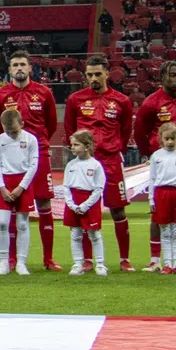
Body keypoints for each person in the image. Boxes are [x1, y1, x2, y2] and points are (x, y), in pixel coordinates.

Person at [63, 55, 136, 272]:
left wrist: (114, 149)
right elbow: (69, 130)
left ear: (107, 74)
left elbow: (125, 131)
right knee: (83, 211)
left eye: (97, 74)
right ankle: (86, 260)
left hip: (111, 161)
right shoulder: (75, 100)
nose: (93, 78)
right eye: (89, 74)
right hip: (85, 163)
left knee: (118, 210)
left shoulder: (122, 100)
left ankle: (124, 259)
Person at [0, 53, 61, 271]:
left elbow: (51, 124)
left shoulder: (44, 92)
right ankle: (11, 259)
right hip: (12, 159)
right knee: (12, 208)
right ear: (10, 70)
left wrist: (38, 144)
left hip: (38, 154)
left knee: (44, 204)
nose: (19, 68)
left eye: (23, 64)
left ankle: (48, 259)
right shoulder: (0, 95)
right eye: (15, 65)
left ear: (30, 68)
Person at [135, 61, 176, 272]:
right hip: (161, 162)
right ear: (162, 76)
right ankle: (155, 260)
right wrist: (153, 153)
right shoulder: (151, 103)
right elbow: (139, 133)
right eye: (173, 75)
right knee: (157, 214)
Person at [0, 108, 39, 276]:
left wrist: (21, 187)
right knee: (3, 223)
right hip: (5, 182)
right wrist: (2, 186)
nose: (11, 134)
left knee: (22, 224)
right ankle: (4, 262)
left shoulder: (31, 139)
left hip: (23, 183)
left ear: (22, 124)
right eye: (7, 131)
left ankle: (21, 262)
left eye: (14, 131)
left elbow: (34, 165)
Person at [143, 122, 176, 274]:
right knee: (165, 231)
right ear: (161, 139)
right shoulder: (156, 156)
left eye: (173, 138)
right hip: (162, 194)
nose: (170, 142)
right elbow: (152, 179)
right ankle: (167, 264)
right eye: (167, 139)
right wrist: (151, 199)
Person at [62, 129, 107, 276]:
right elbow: (66, 186)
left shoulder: (96, 165)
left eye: (76, 144)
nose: (73, 147)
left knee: (94, 234)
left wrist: (86, 205)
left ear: (87, 146)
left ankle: (100, 264)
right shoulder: (71, 165)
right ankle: (77, 263)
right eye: (72, 145)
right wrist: (71, 204)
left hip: (90, 202)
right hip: (74, 201)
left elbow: (99, 188)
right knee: (75, 234)